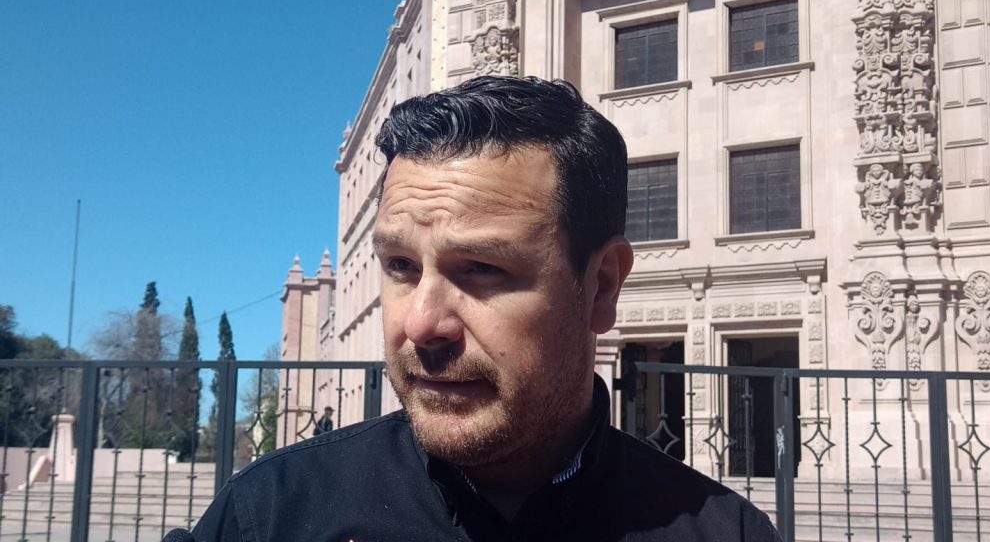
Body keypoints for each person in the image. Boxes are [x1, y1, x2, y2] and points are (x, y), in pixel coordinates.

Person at [188, 76, 781, 541]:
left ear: (601, 286)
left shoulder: (725, 532)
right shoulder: (272, 514)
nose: (422, 324)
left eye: (481, 268)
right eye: (401, 266)